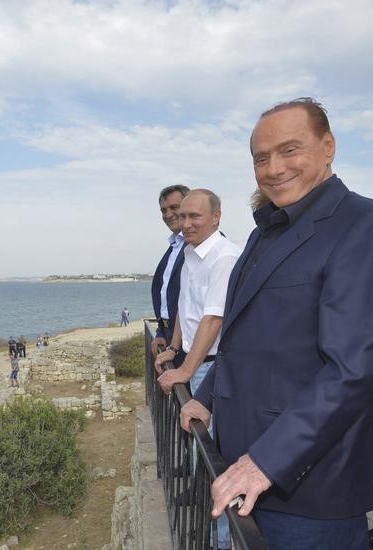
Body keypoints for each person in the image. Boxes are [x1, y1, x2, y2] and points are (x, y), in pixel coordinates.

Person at [180, 98, 373, 549]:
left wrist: (264, 462)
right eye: (261, 158)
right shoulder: (264, 232)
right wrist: (205, 397)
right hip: (243, 466)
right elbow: (241, 337)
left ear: (328, 147)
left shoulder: (360, 225)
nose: (273, 168)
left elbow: (353, 369)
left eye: (290, 150)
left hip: (310, 490)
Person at [154, 189, 240, 550]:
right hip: (194, 362)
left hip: (211, 369)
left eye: (194, 217)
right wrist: (174, 347)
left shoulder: (225, 257)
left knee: (213, 462)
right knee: (198, 460)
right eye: (182, 217)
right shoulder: (191, 253)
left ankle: (219, 541)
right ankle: (206, 533)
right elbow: (184, 309)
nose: (185, 223)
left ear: (216, 217)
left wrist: (185, 370)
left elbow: (213, 319)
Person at [150, 185, 190, 355]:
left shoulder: (202, 244)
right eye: (163, 210)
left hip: (190, 341)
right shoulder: (174, 247)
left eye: (174, 207)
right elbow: (164, 292)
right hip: (169, 337)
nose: (167, 215)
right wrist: (161, 331)